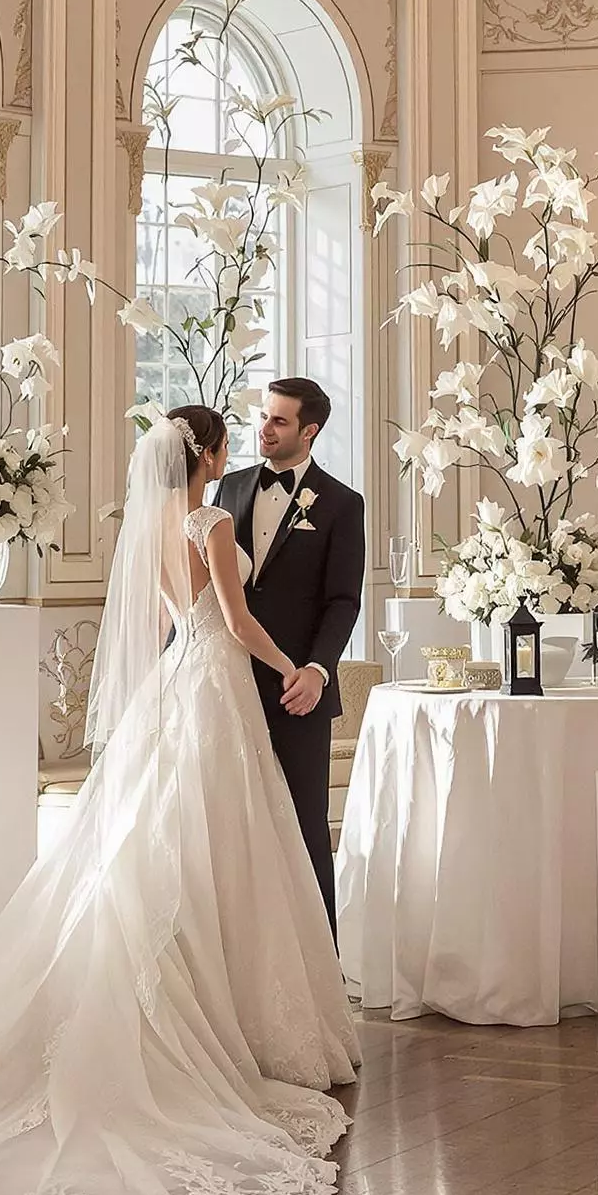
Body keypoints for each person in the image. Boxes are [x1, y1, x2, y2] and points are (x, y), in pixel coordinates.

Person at [0, 406, 358, 1195]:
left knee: (167, 843)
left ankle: (197, 990)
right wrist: (293, 668)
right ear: (210, 455)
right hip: (217, 686)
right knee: (222, 846)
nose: (240, 447)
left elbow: (176, 614)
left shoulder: (149, 523)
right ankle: (230, 1017)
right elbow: (233, 623)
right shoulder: (211, 518)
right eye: (230, 438)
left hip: (175, 684)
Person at [211, 379, 366, 937]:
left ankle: (322, 960)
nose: (264, 429)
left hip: (297, 689)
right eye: (263, 417)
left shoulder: (344, 504)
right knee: (230, 825)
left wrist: (318, 671)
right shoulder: (226, 488)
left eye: (278, 421)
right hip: (225, 681)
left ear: (310, 430)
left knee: (304, 824)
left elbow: (344, 601)